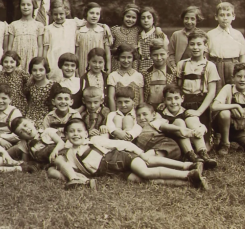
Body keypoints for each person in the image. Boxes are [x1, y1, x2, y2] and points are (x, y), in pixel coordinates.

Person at [52, 118, 208, 190]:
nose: (76, 134)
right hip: (115, 172)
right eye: (71, 132)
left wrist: (141, 153)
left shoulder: (94, 140)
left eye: (79, 131)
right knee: (142, 180)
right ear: (66, 135)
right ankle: (190, 183)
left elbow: (121, 144)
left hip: (122, 158)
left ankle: (188, 173)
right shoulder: (70, 156)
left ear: (86, 133)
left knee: (145, 171)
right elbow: (74, 171)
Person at [175, 30, 219, 148]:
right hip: (184, 103)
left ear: (205, 46)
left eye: (199, 44)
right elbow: (178, 88)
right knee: (184, 138)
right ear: (188, 45)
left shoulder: (210, 66)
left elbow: (211, 92)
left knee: (203, 142)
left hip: (201, 104)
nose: (195, 47)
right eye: (192, 44)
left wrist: (199, 111)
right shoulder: (182, 64)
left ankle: (208, 138)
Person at [158, 84, 217, 167]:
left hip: (189, 141)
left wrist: (200, 130)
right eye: (169, 99)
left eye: (176, 98)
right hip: (173, 143)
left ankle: (203, 153)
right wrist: (181, 129)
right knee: (179, 122)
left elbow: (201, 126)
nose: (173, 102)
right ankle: (191, 155)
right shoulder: (161, 113)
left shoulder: (186, 112)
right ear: (164, 100)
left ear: (182, 99)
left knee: (191, 119)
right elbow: (161, 126)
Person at [206, 2, 245, 93]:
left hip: (233, 65)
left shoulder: (237, 34)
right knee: (216, 89)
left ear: (233, 16)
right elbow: (206, 54)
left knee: (233, 88)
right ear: (216, 17)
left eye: (228, 15)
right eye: (221, 15)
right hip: (216, 65)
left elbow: (242, 55)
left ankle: (233, 105)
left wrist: (242, 70)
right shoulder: (210, 34)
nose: (225, 18)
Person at [43, 0, 85, 81]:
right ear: (51, 14)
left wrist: (104, 26)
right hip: (53, 61)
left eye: (61, 14)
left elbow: (89, 22)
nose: (58, 17)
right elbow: (45, 49)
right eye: (55, 14)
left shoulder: (73, 23)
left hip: (69, 62)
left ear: (66, 12)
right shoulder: (48, 29)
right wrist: (46, 64)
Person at [7, 0, 44, 71]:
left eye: (28, 5)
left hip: (32, 56)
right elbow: (9, 46)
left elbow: (40, 46)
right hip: (17, 57)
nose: (25, 7)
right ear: (19, 7)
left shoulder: (39, 25)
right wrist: (11, 60)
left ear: (33, 6)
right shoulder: (13, 25)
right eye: (23, 5)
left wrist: (39, 61)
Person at [76, 2, 112, 75]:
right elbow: (77, 53)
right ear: (86, 14)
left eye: (97, 14)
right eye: (91, 13)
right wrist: (76, 70)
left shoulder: (103, 31)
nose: (94, 16)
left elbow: (107, 53)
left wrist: (108, 68)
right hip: (83, 64)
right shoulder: (79, 31)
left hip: (99, 65)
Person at [25, 57, 60, 128]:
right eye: (34, 70)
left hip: (48, 118)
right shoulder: (30, 86)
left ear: (46, 70)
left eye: (41, 70)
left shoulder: (54, 86)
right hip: (30, 118)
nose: (38, 73)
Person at [107, 44, 144, 110]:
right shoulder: (113, 75)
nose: (126, 61)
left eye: (129, 57)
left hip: (134, 113)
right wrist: (114, 113)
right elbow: (111, 97)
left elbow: (141, 98)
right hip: (118, 112)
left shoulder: (138, 76)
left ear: (133, 58)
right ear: (118, 57)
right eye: (123, 57)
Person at [142, 40, 176, 108]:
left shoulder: (173, 73)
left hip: (166, 107)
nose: (159, 58)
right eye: (155, 55)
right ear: (150, 55)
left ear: (167, 54)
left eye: (162, 54)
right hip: (149, 108)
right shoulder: (145, 73)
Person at [137, 7, 169, 73]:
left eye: (149, 18)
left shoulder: (159, 34)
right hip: (140, 69)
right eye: (143, 18)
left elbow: (166, 54)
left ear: (153, 20)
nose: (146, 20)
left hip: (155, 69)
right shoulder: (138, 35)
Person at [110, 4, 140, 71]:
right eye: (128, 16)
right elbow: (109, 48)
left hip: (132, 62)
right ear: (123, 16)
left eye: (133, 18)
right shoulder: (115, 30)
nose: (130, 19)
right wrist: (116, 50)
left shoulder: (138, 30)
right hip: (117, 62)